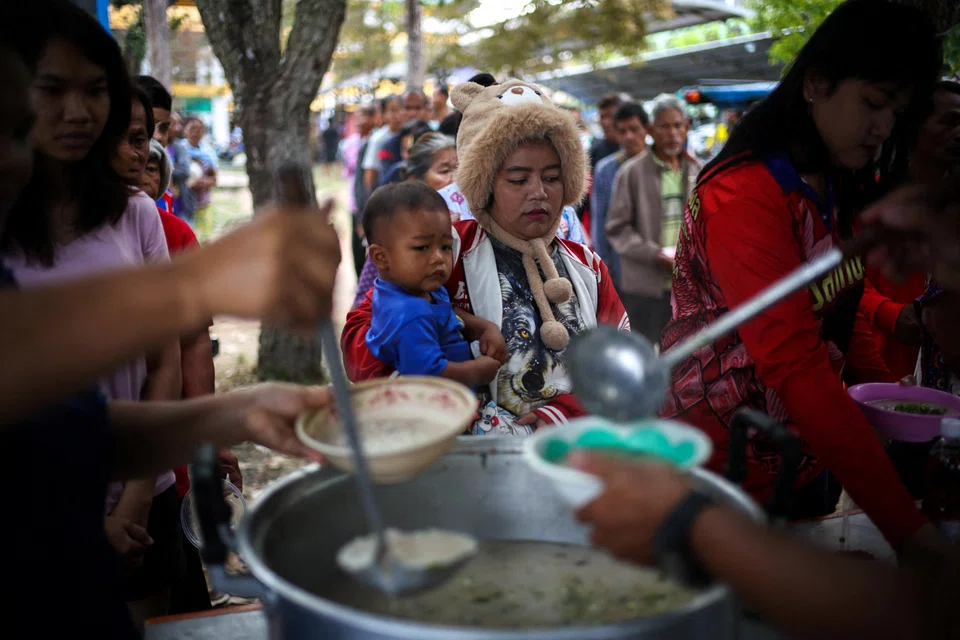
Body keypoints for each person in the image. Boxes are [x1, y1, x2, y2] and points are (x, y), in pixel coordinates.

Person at [0, 7, 340, 636]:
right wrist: (196, 283)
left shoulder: (131, 214)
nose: (16, 162)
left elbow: (67, 428)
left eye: (17, 134)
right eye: (31, 114)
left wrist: (237, 414)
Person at [658, 0, 943, 551]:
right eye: (874, 102)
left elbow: (836, 302)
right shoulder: (745, 194)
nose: (883, 126)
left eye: (895, 111)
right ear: (816, 84)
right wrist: (912, 535)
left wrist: (884, 403)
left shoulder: (837, 184)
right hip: (724, 458)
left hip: (803, 450)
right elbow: (793, 361)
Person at [343, 79, 628, 435]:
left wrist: (566, 413)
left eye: (552, 177)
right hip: (467, 465)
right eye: (518, 179)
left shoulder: (588, 268)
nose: (538, 192)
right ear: (485, 183)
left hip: (572, 458)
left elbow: (620, 365)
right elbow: (358, 348)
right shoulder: (447, 252)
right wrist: (424, 361)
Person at [861, 82, 960, 380]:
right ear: (914, 128)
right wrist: (888, 313)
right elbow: (841, 281)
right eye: (949, 122)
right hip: (885, 369)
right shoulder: (869, 198)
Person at [362, 182, 506, 387]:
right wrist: (476, 371)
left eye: (446, 246)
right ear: (380, 257)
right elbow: (428, 375)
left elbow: (445, 310)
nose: (439, 258)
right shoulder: (409, 314)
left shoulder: (413, 289)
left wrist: (484, 327)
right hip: (442, 408)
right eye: (422, 247)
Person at [606, 94, 699, 344]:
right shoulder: (631, 173)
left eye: (678, 125)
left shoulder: (698, 171)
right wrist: (655, 254)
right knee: (643, 352)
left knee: (684, 358)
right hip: (645, 288)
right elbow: (617, 229)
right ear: (651, 131)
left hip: (688, 286)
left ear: (687, 127)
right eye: (664, 126)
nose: (673, 133)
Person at [354, 132, 458, 307]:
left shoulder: (478, 224)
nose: (455, 179)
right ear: (416, 181)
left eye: (446, 247)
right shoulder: (395, 234)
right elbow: (360, 306)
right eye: (445, 171)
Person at [590, 102, 648, 289]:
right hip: (621, 268)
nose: (629, 136)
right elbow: (600, 222)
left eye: (634, 129)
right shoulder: (605, 170)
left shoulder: (662, 166)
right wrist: (605, 269)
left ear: (647, 129)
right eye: (622, 131)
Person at [344, 104, 378, 277]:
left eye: (364, 115)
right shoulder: (349, 145)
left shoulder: (375, 142)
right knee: (356, 250)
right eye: (356, 117)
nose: (359, 121)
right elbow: (352, 177)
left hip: (368, 205)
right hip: (354, 203)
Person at [183, 118, 218, 238]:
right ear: (185, 130)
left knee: (205, 239)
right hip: (183, 204)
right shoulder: (179, 149)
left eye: (199, 129)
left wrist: (204, 182)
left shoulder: (209, 153)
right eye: (192, 129)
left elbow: (215, 179)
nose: (195, 133)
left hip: (203, 203)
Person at [362, 95, 403, 192]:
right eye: (393, 110)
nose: (398, 114)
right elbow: (370, 174)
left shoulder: (408, 134)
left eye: (401, 109)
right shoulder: (378, 140)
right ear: (384, 114)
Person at [588, 93, 622, 171]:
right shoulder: (594, 153)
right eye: (602, 117)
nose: (606, 123)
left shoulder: (632, 148)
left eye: (610, 116)